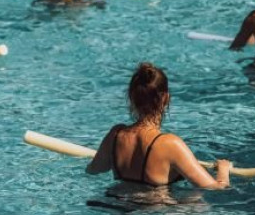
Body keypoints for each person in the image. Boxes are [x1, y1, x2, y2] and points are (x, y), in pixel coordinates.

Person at [86, 63, 231, 189]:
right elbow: (216, 188)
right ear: (166, 98)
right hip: (156, 211)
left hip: (116, 206)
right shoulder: (170, 144)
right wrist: (223, 169)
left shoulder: (115, 135)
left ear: (131, 97)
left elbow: (93, 170)